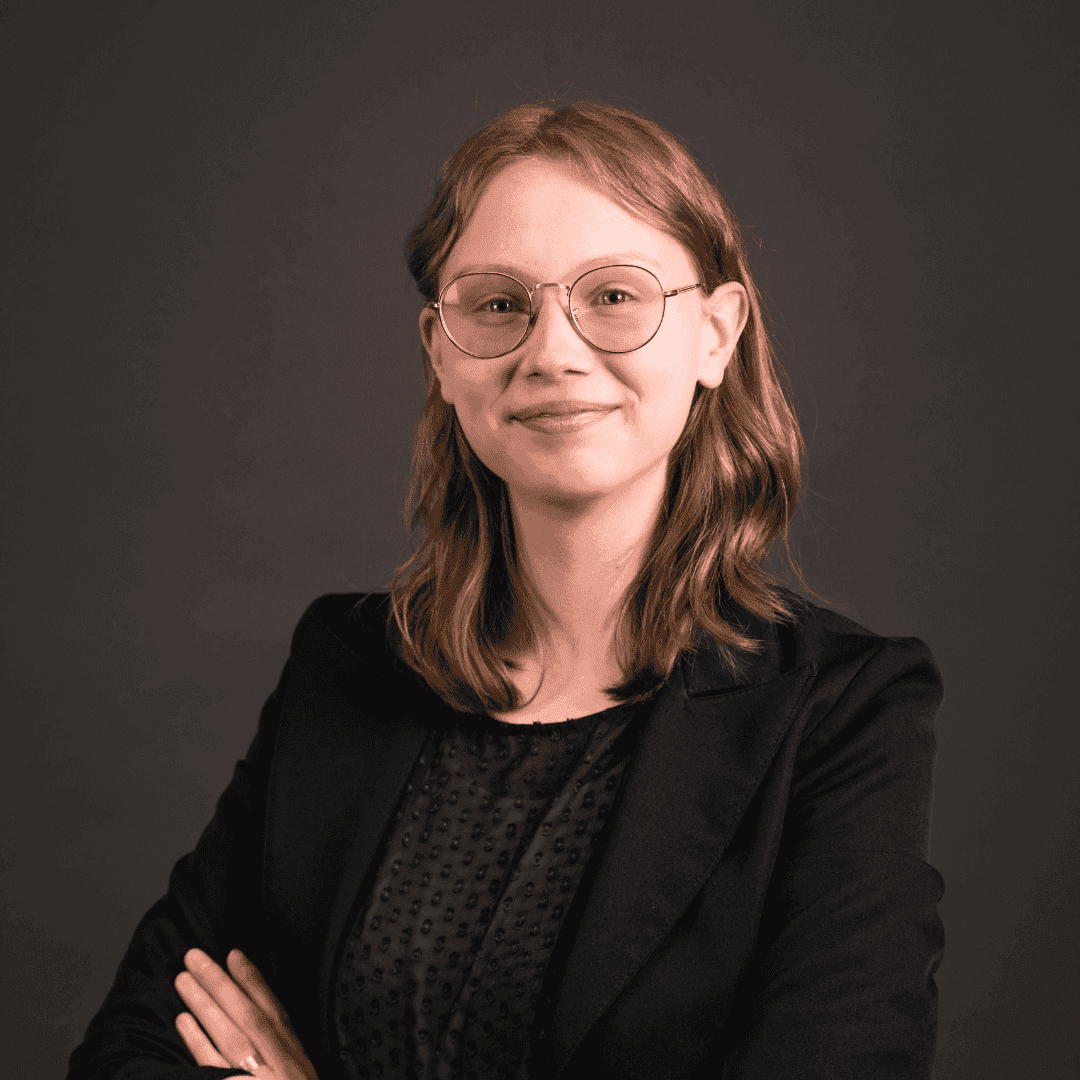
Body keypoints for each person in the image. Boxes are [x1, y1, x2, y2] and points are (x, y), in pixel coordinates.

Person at [66, 101, 944, 1080]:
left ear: (716, 334)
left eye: (614, 295)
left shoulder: (841, 711)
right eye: (497, 305)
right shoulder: (344, 666)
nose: (552, 352)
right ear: (440, 354)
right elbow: (129, 1052)